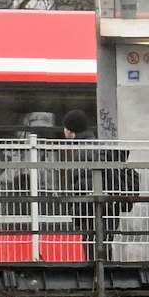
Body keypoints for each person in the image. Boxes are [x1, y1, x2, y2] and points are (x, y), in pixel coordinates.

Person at [58, 108, 134, 260]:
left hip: (93, 211)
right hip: (108, 208)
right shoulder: (96, 145)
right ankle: (104, 279)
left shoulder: (83, 150)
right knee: (103, 246)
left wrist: (77, 211)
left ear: (70, 130)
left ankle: (99, 280)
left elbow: (83, 184)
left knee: (94, 248)